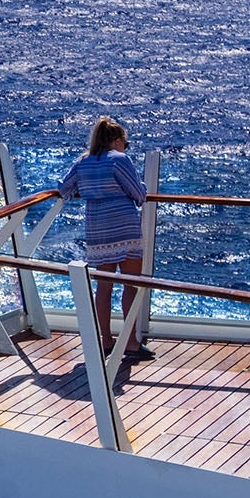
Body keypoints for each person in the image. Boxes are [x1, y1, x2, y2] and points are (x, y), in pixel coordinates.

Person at [59, 116, 151, 388]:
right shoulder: (119, 160)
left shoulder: (83, 161)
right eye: (126, 142)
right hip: (123, 226)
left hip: (97, 229)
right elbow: (139, 194)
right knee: (131, 285)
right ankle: (132, 342)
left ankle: (107, 340)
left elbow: (64, 189)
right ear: (116, 140)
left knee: (104, 287)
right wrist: (141, 187)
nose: (126, 146)